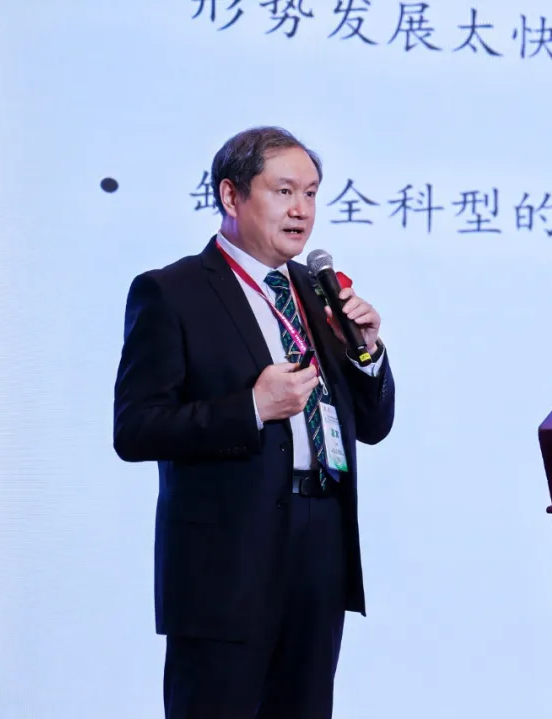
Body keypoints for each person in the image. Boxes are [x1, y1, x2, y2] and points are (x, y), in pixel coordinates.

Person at [113, 126, 395, 719]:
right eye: (284, 191)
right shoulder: (173, 292)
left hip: (320, 538)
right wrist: (252, 407)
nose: (302, 210)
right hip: (226, 559)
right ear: (231, 195)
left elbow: (371, 426)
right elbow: (136, 428)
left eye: (311, 194)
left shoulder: (317, 292)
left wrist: (367, 353)